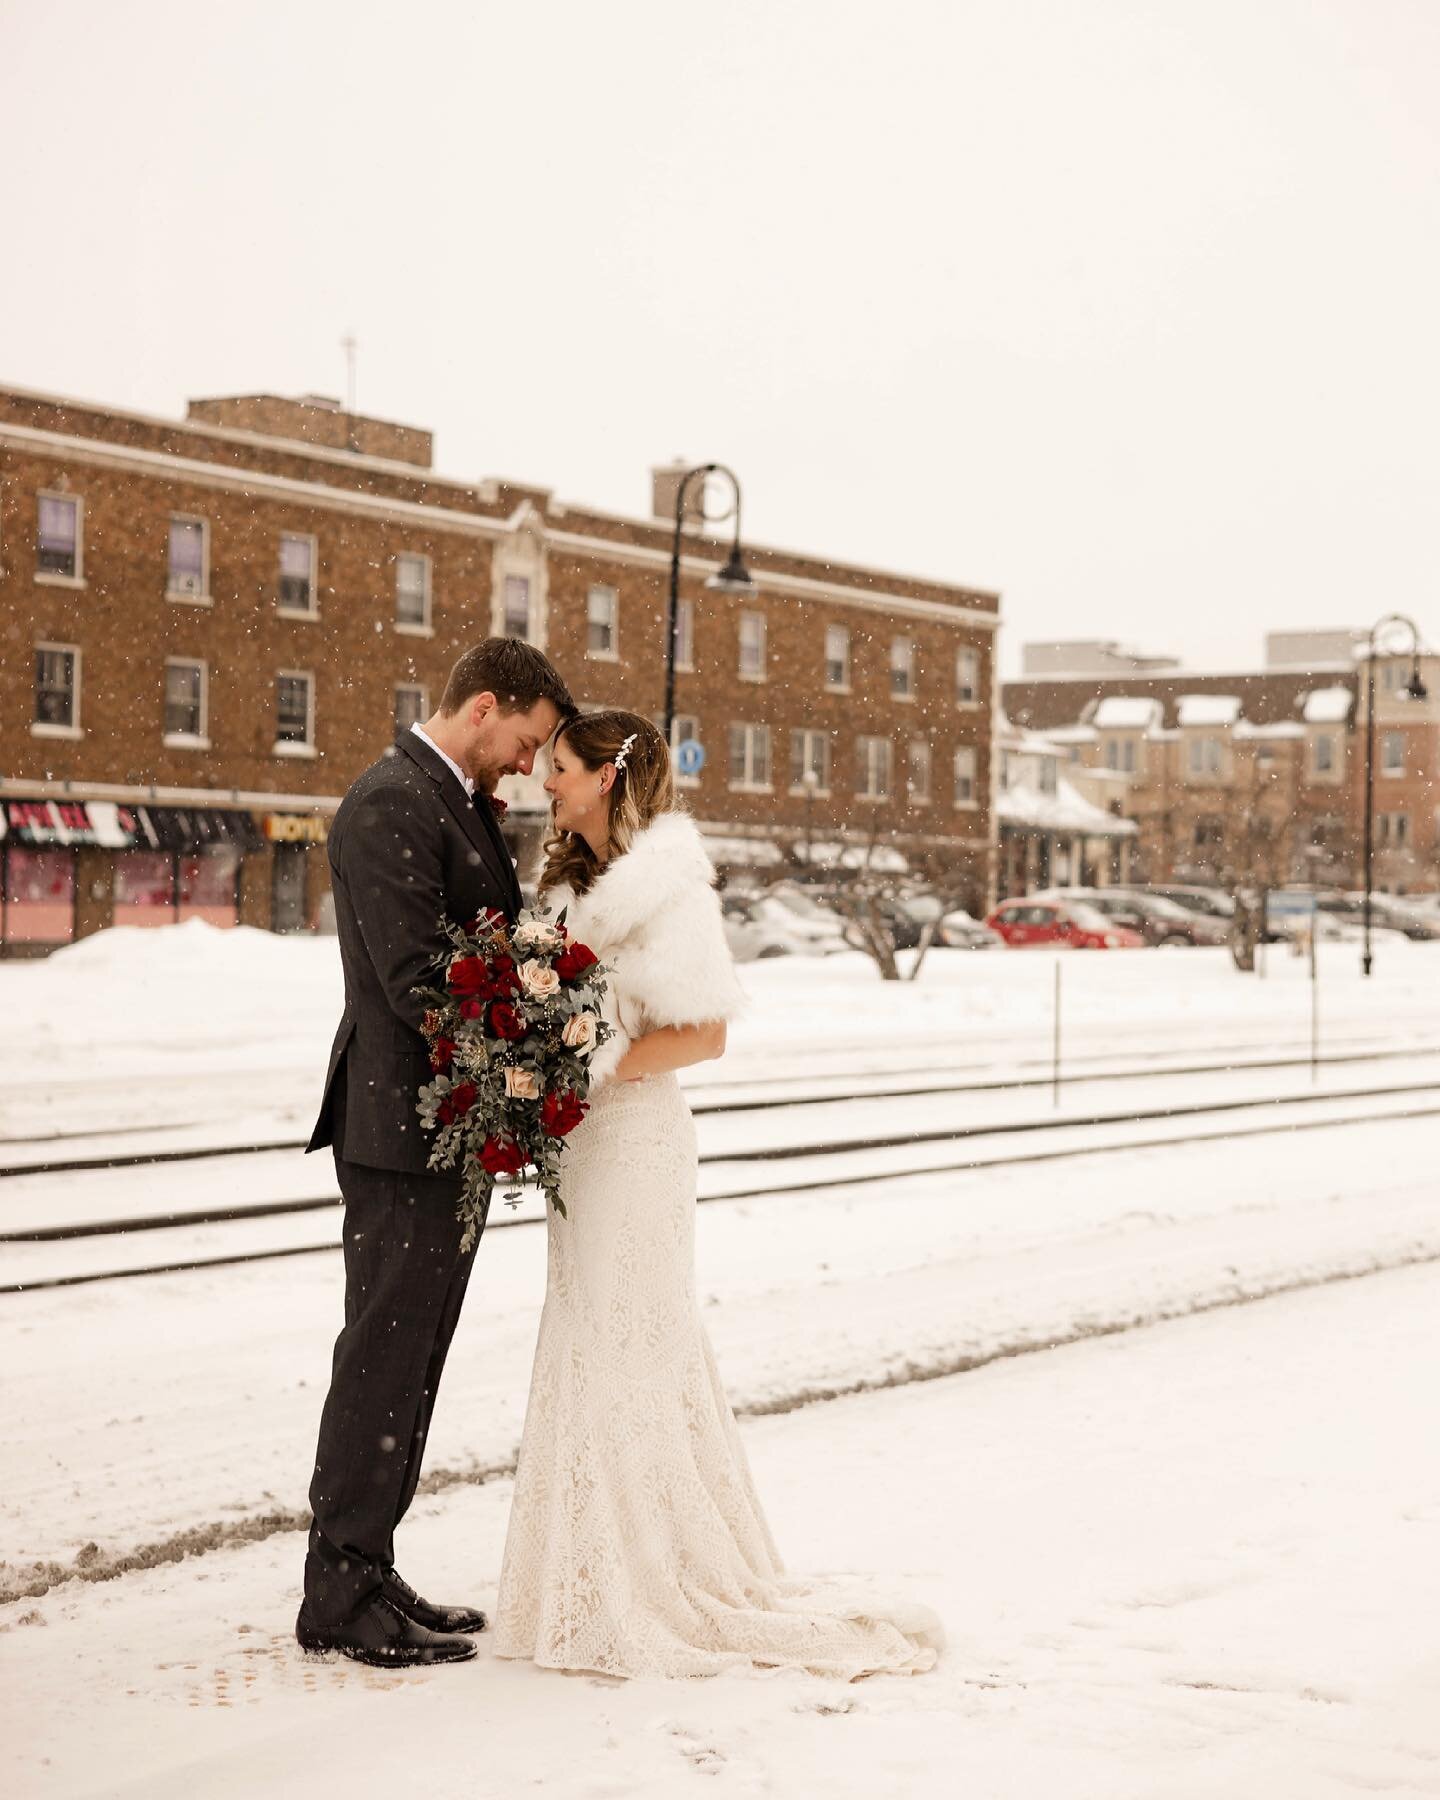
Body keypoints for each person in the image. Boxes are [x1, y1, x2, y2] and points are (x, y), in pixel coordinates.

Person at [491, 710, 942, 1679]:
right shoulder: (564, 879)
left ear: (608, 777)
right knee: (585, 1335)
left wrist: (583, 1068)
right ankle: (587, 1573)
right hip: (581, 1146)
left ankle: (655, 1574)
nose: (546, 785)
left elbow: (703, 1036)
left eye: (562, 770)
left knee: (632, 1343)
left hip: (635, 1144)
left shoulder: (667, 892)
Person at [297, 637, 575, 1667]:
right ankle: (336, 1591)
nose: (526, 764)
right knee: (381, 1355)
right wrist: (535, 1038)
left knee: (412, 1360)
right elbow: (422, 978)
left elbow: (480, 949)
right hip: (397, 1126)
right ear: (485, 705)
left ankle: (367, 1565)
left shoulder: (445, 799)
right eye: (527, 740)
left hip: (437, 1126)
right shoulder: (390, 803)